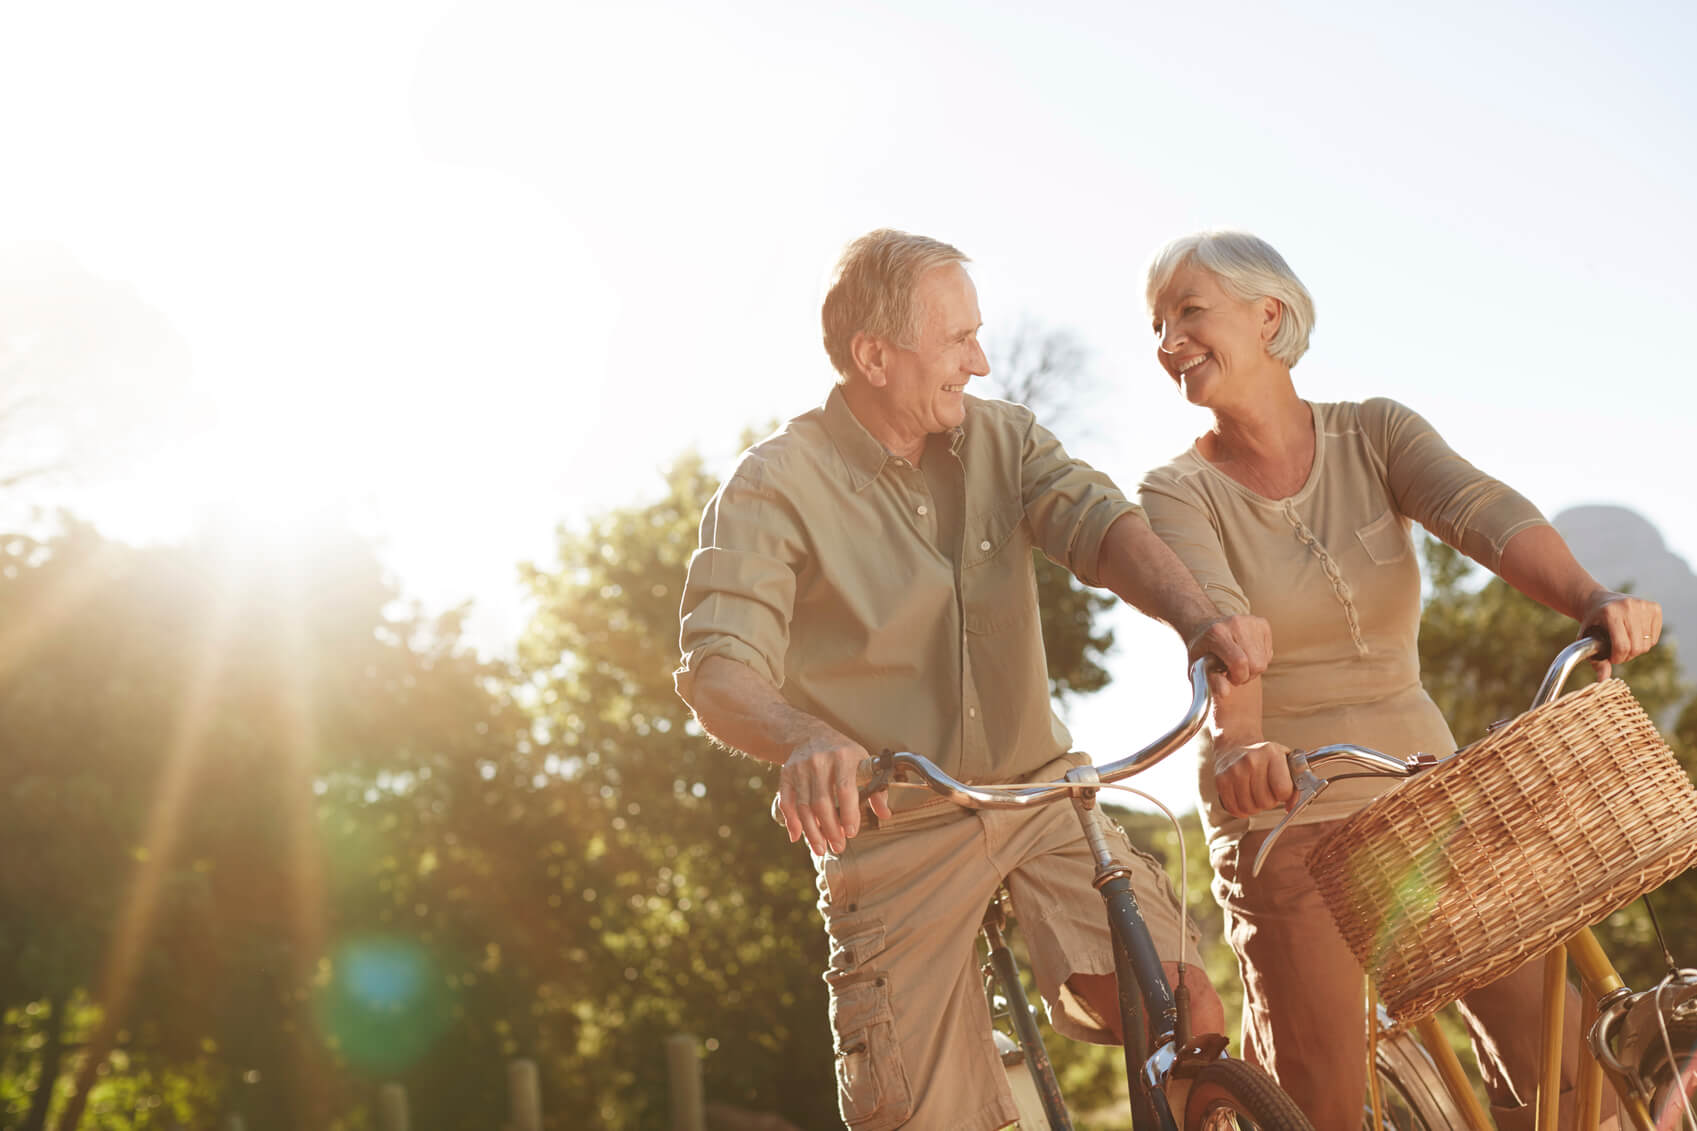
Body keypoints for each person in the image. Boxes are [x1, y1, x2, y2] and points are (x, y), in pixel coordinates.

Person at [673, 228, 1273, 1131]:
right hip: (896, 831)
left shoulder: (1002, 439)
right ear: (874, 356)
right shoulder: (774, 487)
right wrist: (803, 736)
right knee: (929, 1119)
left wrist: (1198, 617)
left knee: (1182, 1008)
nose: (981, 360)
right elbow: (719, 663)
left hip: (1035, 792)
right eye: (957, 340)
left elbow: (1097, 523)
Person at [1136, 229, 1663, 1131]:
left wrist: (1590, 597)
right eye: (1155, 323)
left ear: (1269, 315)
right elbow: (1223, 631)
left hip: (1424, 790)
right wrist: (1242, 743)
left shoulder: (1372, 432)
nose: (1167, 340)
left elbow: (1480, 510)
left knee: (1567, 1063)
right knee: (1323, 1088)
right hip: (1285, 810)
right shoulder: (1175, 492)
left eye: (1189, 311)